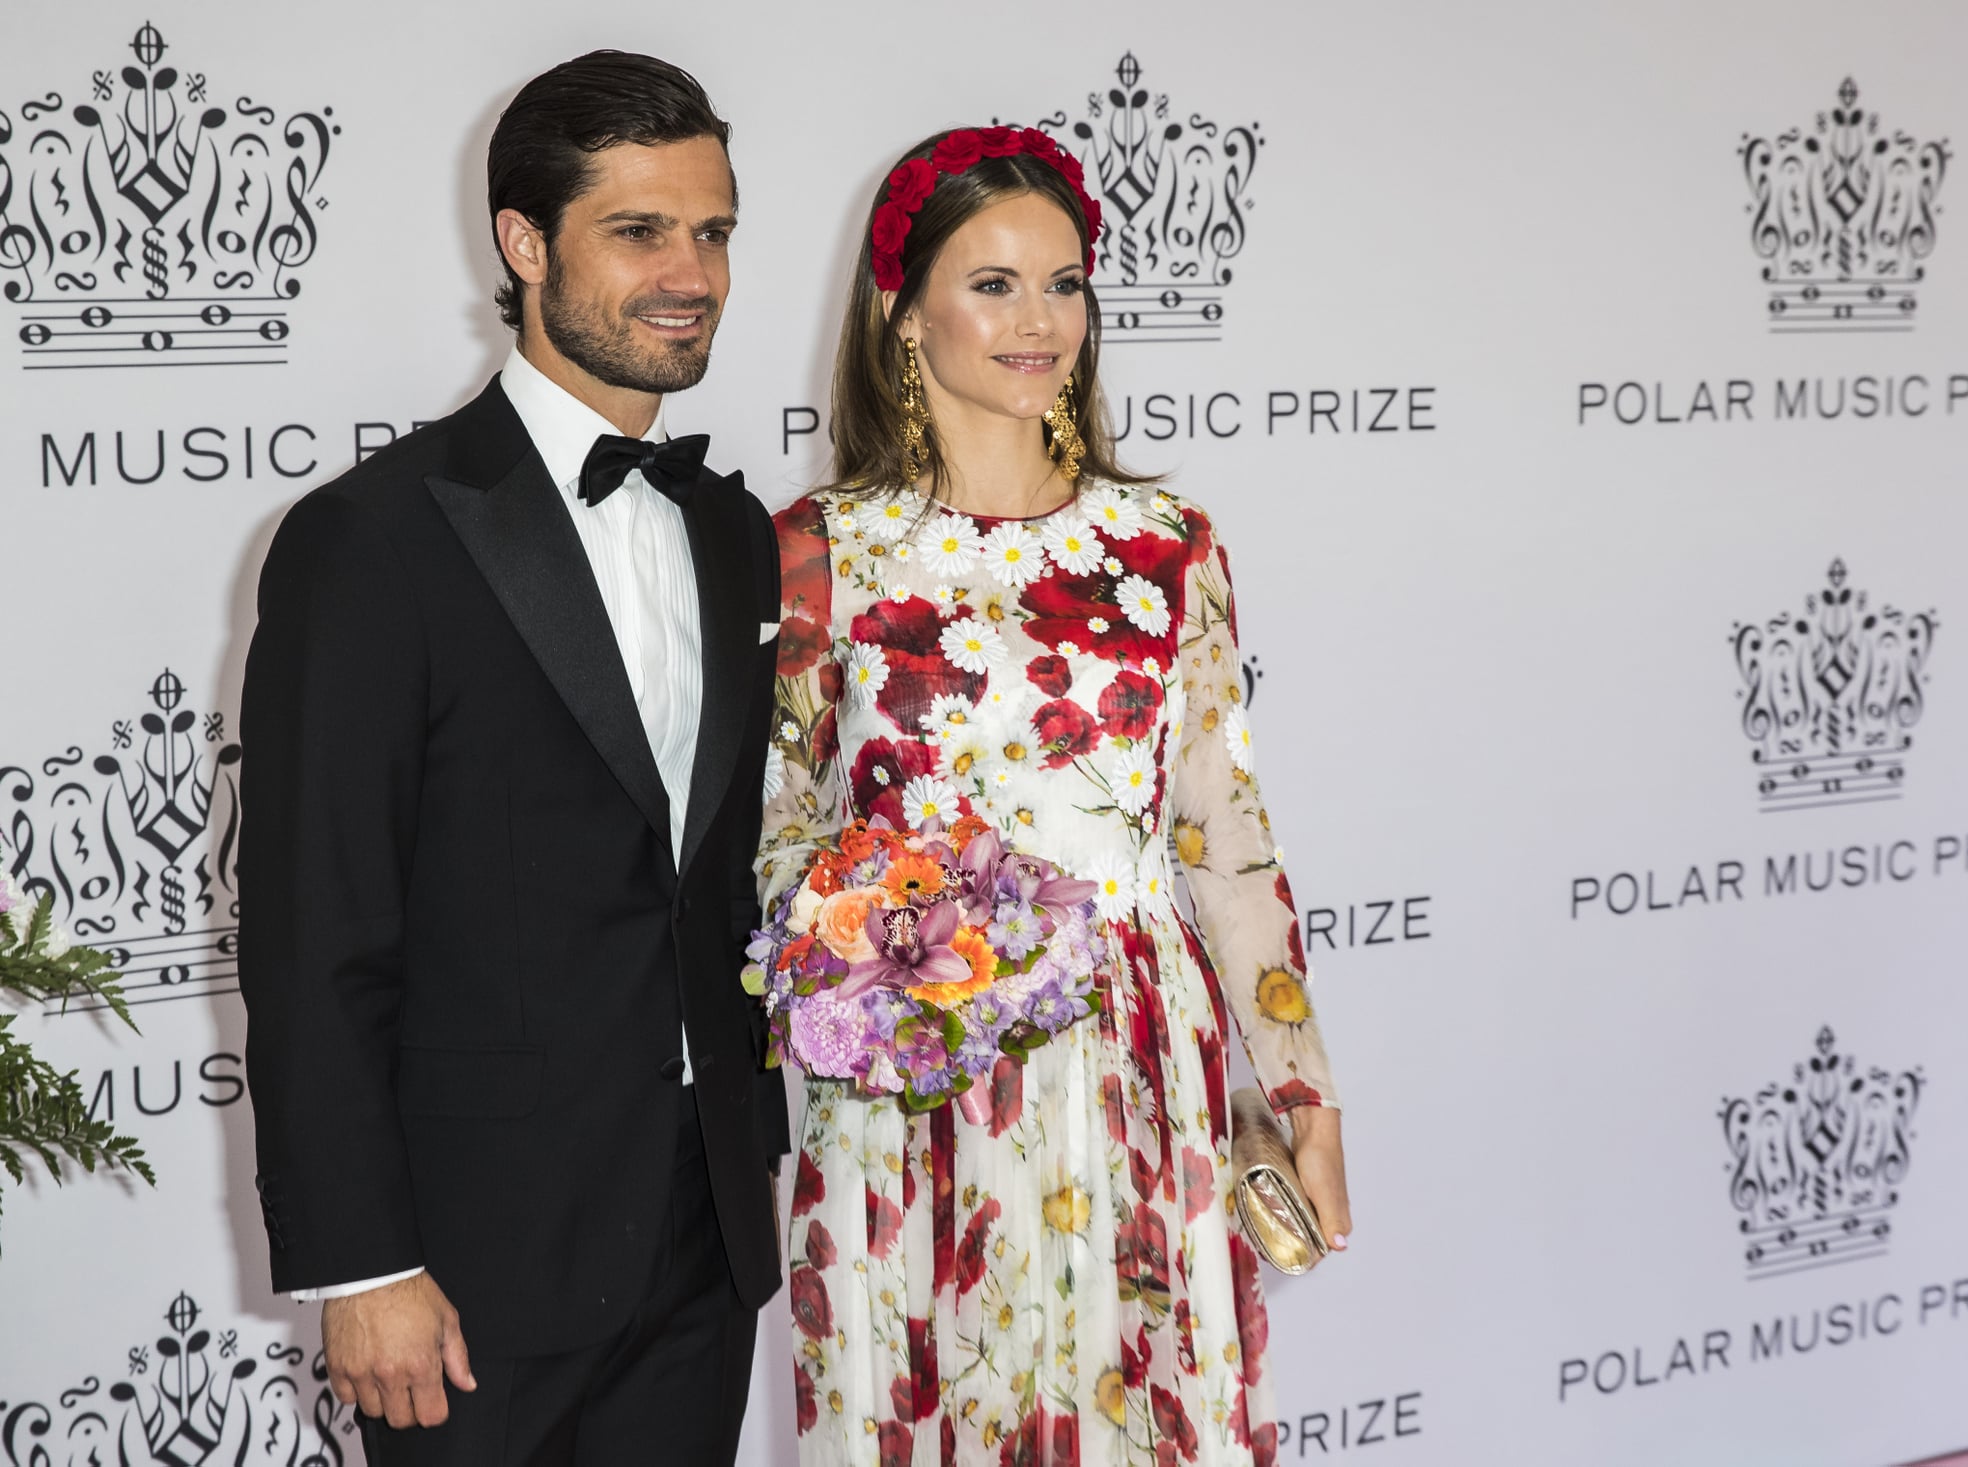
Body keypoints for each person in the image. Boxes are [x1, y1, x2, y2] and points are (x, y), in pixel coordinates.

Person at [757, 126, 1352, 1465]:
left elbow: (1230, 845)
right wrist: (874, 935)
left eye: (1067, 283)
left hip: (1136, 1054)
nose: (1041, 323)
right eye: (995, 283)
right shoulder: (816, 552)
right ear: (903, 315)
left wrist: (1307, 1099)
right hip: (912, 1080)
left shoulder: (1163, 549)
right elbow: (776, 830)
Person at [238, 51, 786, 1466]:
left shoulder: (731, 531)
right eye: (640, 230)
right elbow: (314, 934)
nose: (691, 273)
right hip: (471, 1270)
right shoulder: (372, 539)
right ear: (525, 243)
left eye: (713, 231)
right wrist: (361, 1268)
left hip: (700, 1241)